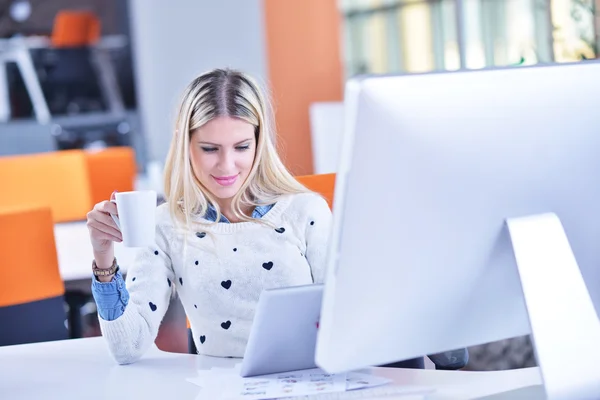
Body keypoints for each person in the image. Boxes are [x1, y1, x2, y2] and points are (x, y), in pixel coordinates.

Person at [87, 68, 468, 369]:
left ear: (259, 141)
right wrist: (104, 259)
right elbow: (129, 347)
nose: (227, 165)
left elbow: (347, 319)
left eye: (241, 146)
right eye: (209, 149)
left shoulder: (305, 211)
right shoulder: (166, 225)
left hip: (316, 384)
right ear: (185, 144)